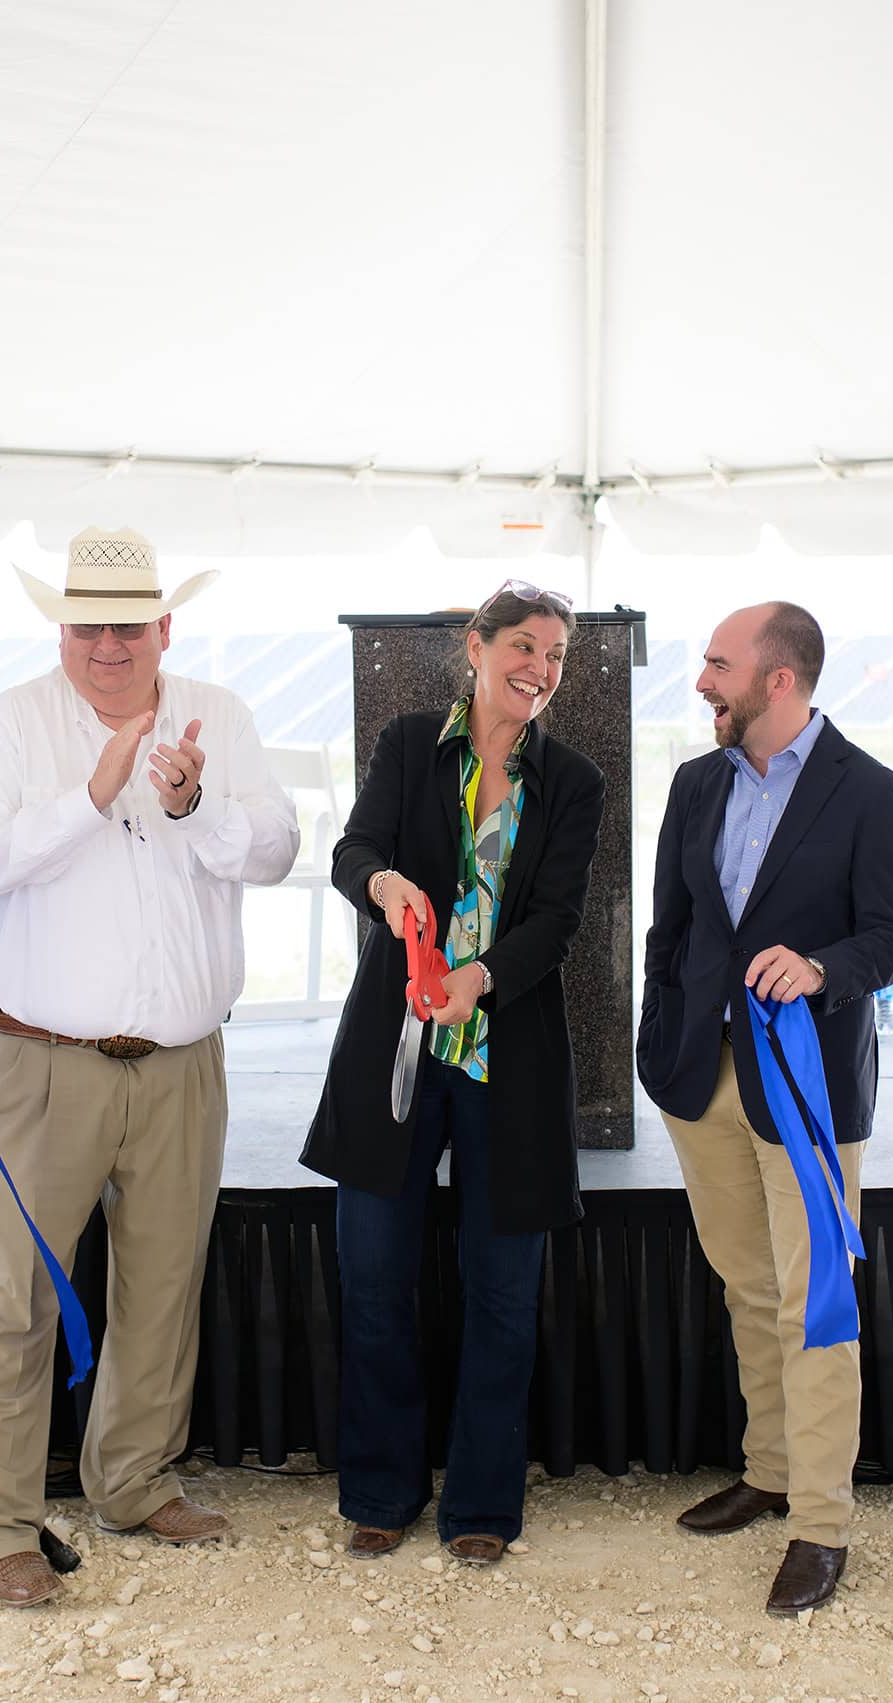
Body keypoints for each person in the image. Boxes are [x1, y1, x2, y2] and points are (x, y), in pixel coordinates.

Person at [0, 527, 297, 1610]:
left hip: (183, 1059)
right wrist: (91, 795)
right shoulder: (15, 720)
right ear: (61, 627)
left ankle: (133, 1480)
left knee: (162, 1285)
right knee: (12, 1297)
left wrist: (193, 806)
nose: (107, 643)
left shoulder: (218, 715)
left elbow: (278, 848)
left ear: (164, 629)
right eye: (88, 623)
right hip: (40, 1062)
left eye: (127, 624)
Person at [300, 581, 606, 1566]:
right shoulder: (406, 746)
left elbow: (558, 922)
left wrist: (479, 977)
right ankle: (381, 1489)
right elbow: (356, 852)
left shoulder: (574, 781)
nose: (540, 667)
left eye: (555, 653)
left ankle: (481, 1499)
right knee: (376, 1274)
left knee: (503, 1287)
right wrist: (383, 884)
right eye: (523, 644)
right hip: (394, 1046)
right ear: (475, 648)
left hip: (505, 1054)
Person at [636, 601, 893, 1618]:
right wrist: (660, 1029)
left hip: (804, 1088)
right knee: (747, 1285)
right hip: (698, 1076)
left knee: (817, 1306)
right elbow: (671, 926)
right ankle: (767, 1469)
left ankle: (822, 1523)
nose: (703, 680)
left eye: (718, 663)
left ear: (778, 680)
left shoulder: (871, 792)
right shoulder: (695, 779)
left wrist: (819, 967)